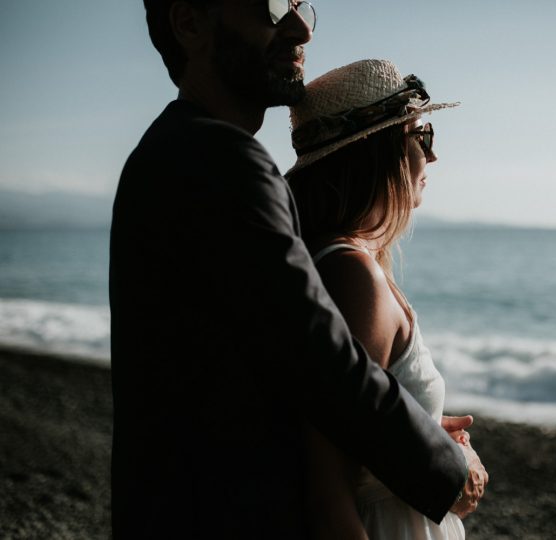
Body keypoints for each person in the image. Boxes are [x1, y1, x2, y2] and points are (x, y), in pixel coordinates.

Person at [110, 1, 486, 537]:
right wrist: (451, 472)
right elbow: (328, 366)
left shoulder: (174, 153)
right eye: (267, 3)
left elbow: (285, 368)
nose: (301, 25)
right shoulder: (220, 163)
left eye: (297, 2)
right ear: (189, 22)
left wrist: (409, 428)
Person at [286, 59, 487, 539]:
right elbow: (328, 477)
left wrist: (430, 437)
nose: (432, 157)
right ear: (382, 153)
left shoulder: (344, 262)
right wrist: (452, 464)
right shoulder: (353, 278)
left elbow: (367, 430)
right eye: (423, 136)